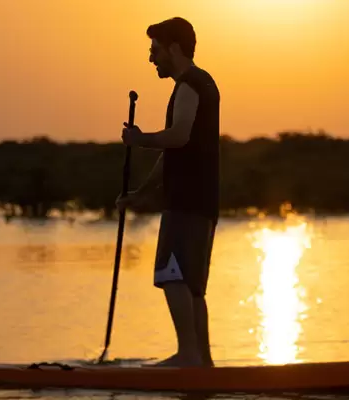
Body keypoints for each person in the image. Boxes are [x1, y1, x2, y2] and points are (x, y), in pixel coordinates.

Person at [117, 17, 220, 368]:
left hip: (188, 203)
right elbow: (174, 152)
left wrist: (139, 139)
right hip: (199, 202)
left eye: (155, 50)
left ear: (174, 48)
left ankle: (189, 356)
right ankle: (202, 363)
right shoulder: (197, 84)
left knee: (170, 274)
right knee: (191, 285)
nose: (151, 58)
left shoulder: (191, 84)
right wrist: (140, 194)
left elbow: (178, 137)